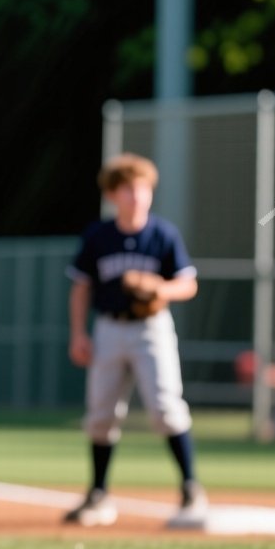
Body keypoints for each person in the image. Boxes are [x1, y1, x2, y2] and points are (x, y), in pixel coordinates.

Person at [64, 153, 206, 528]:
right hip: (109, 329)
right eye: (128, 188)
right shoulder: (99, 236)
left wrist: (160, 287)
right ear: (113, 194)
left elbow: (188, 284)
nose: (137, 195)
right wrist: (78, 333)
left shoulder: (162, 234)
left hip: (152, 328)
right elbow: (80, 288)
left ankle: (191, 488)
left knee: (165, 407)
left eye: (143, 188)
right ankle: (97, 495)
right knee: (101, 414)